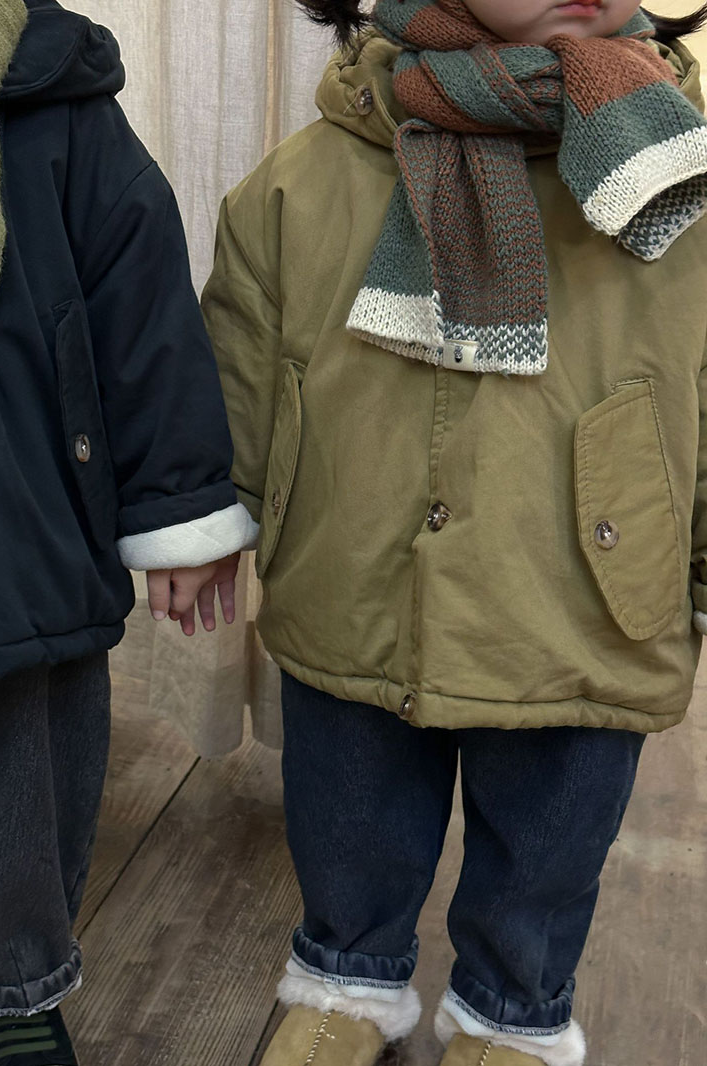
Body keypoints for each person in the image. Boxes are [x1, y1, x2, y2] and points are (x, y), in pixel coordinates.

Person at [201, 1, 707, 1064]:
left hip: (586, 598)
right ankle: (344, 981)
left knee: (549, 839)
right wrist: (208, 509)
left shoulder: (674, 179)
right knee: (349, 808)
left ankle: (511, 1015)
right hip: (354, 573)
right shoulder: (314, 175)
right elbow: (243, 358)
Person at [0, 1, 254, 1064]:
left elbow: (140, 301)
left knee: (27, 759)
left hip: (21, 503)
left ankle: (19, 981)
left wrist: (179, 501)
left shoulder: (55, 96)